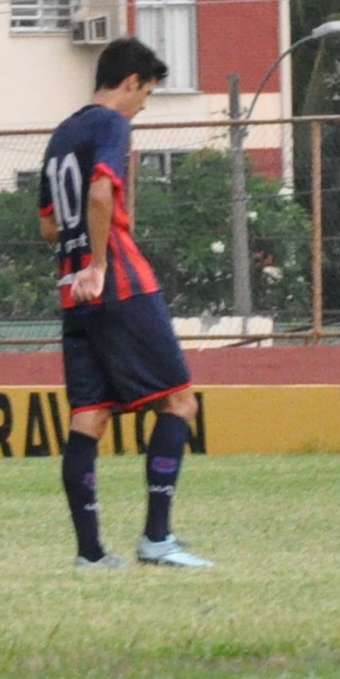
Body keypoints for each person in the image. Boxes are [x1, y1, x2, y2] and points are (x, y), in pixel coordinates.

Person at [38, 37, 212, 569]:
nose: (143, 105)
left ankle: (91, 554)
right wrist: (98, 261)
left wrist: (78, 262)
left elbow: (48, 225)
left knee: (88, 418)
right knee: (180, 401)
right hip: (120, 284)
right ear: (131, 81)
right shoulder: (112, 125)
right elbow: (99, 194)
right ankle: (157, 539)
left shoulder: (61, 135)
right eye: (147, 94)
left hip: (73, 292)